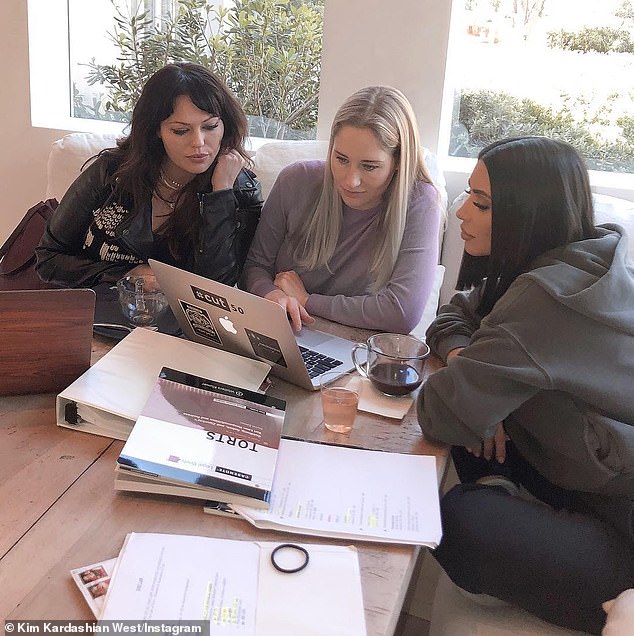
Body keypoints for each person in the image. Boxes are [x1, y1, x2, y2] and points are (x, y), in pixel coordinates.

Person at [417, 136, 634, 634]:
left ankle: (512, 499)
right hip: (580, 474)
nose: (461, 213)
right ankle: (515, 490)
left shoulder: (546, 298)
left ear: (528, 213)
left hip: (619, 525)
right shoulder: (581, 255)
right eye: (468, 195)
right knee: (477, 434)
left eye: (481, 203)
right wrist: (467, 358)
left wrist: (476, 392)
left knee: (454, 522)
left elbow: (436, 410)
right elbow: (456, 311)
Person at [36, 62, 262, 289]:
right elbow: (48, 259)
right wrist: (127, 274)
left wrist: (221, 192)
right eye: (180, 130)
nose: (199, 143)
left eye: (210, 127)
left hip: (173, 323)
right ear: (156, 130)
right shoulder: (111, 173)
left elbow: (216, 290)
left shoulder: (241, 190)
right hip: (96, 313)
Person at [240, 86, 441, 333]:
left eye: (369, 166)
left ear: (398, 162)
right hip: (286, 330)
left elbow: (401, 312)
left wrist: (307, 301)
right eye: (341, 159)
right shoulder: (295, 180)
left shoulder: (420, 202)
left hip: (356, 347)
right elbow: (254, 266)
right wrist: (271, 295)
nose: (349, 181)